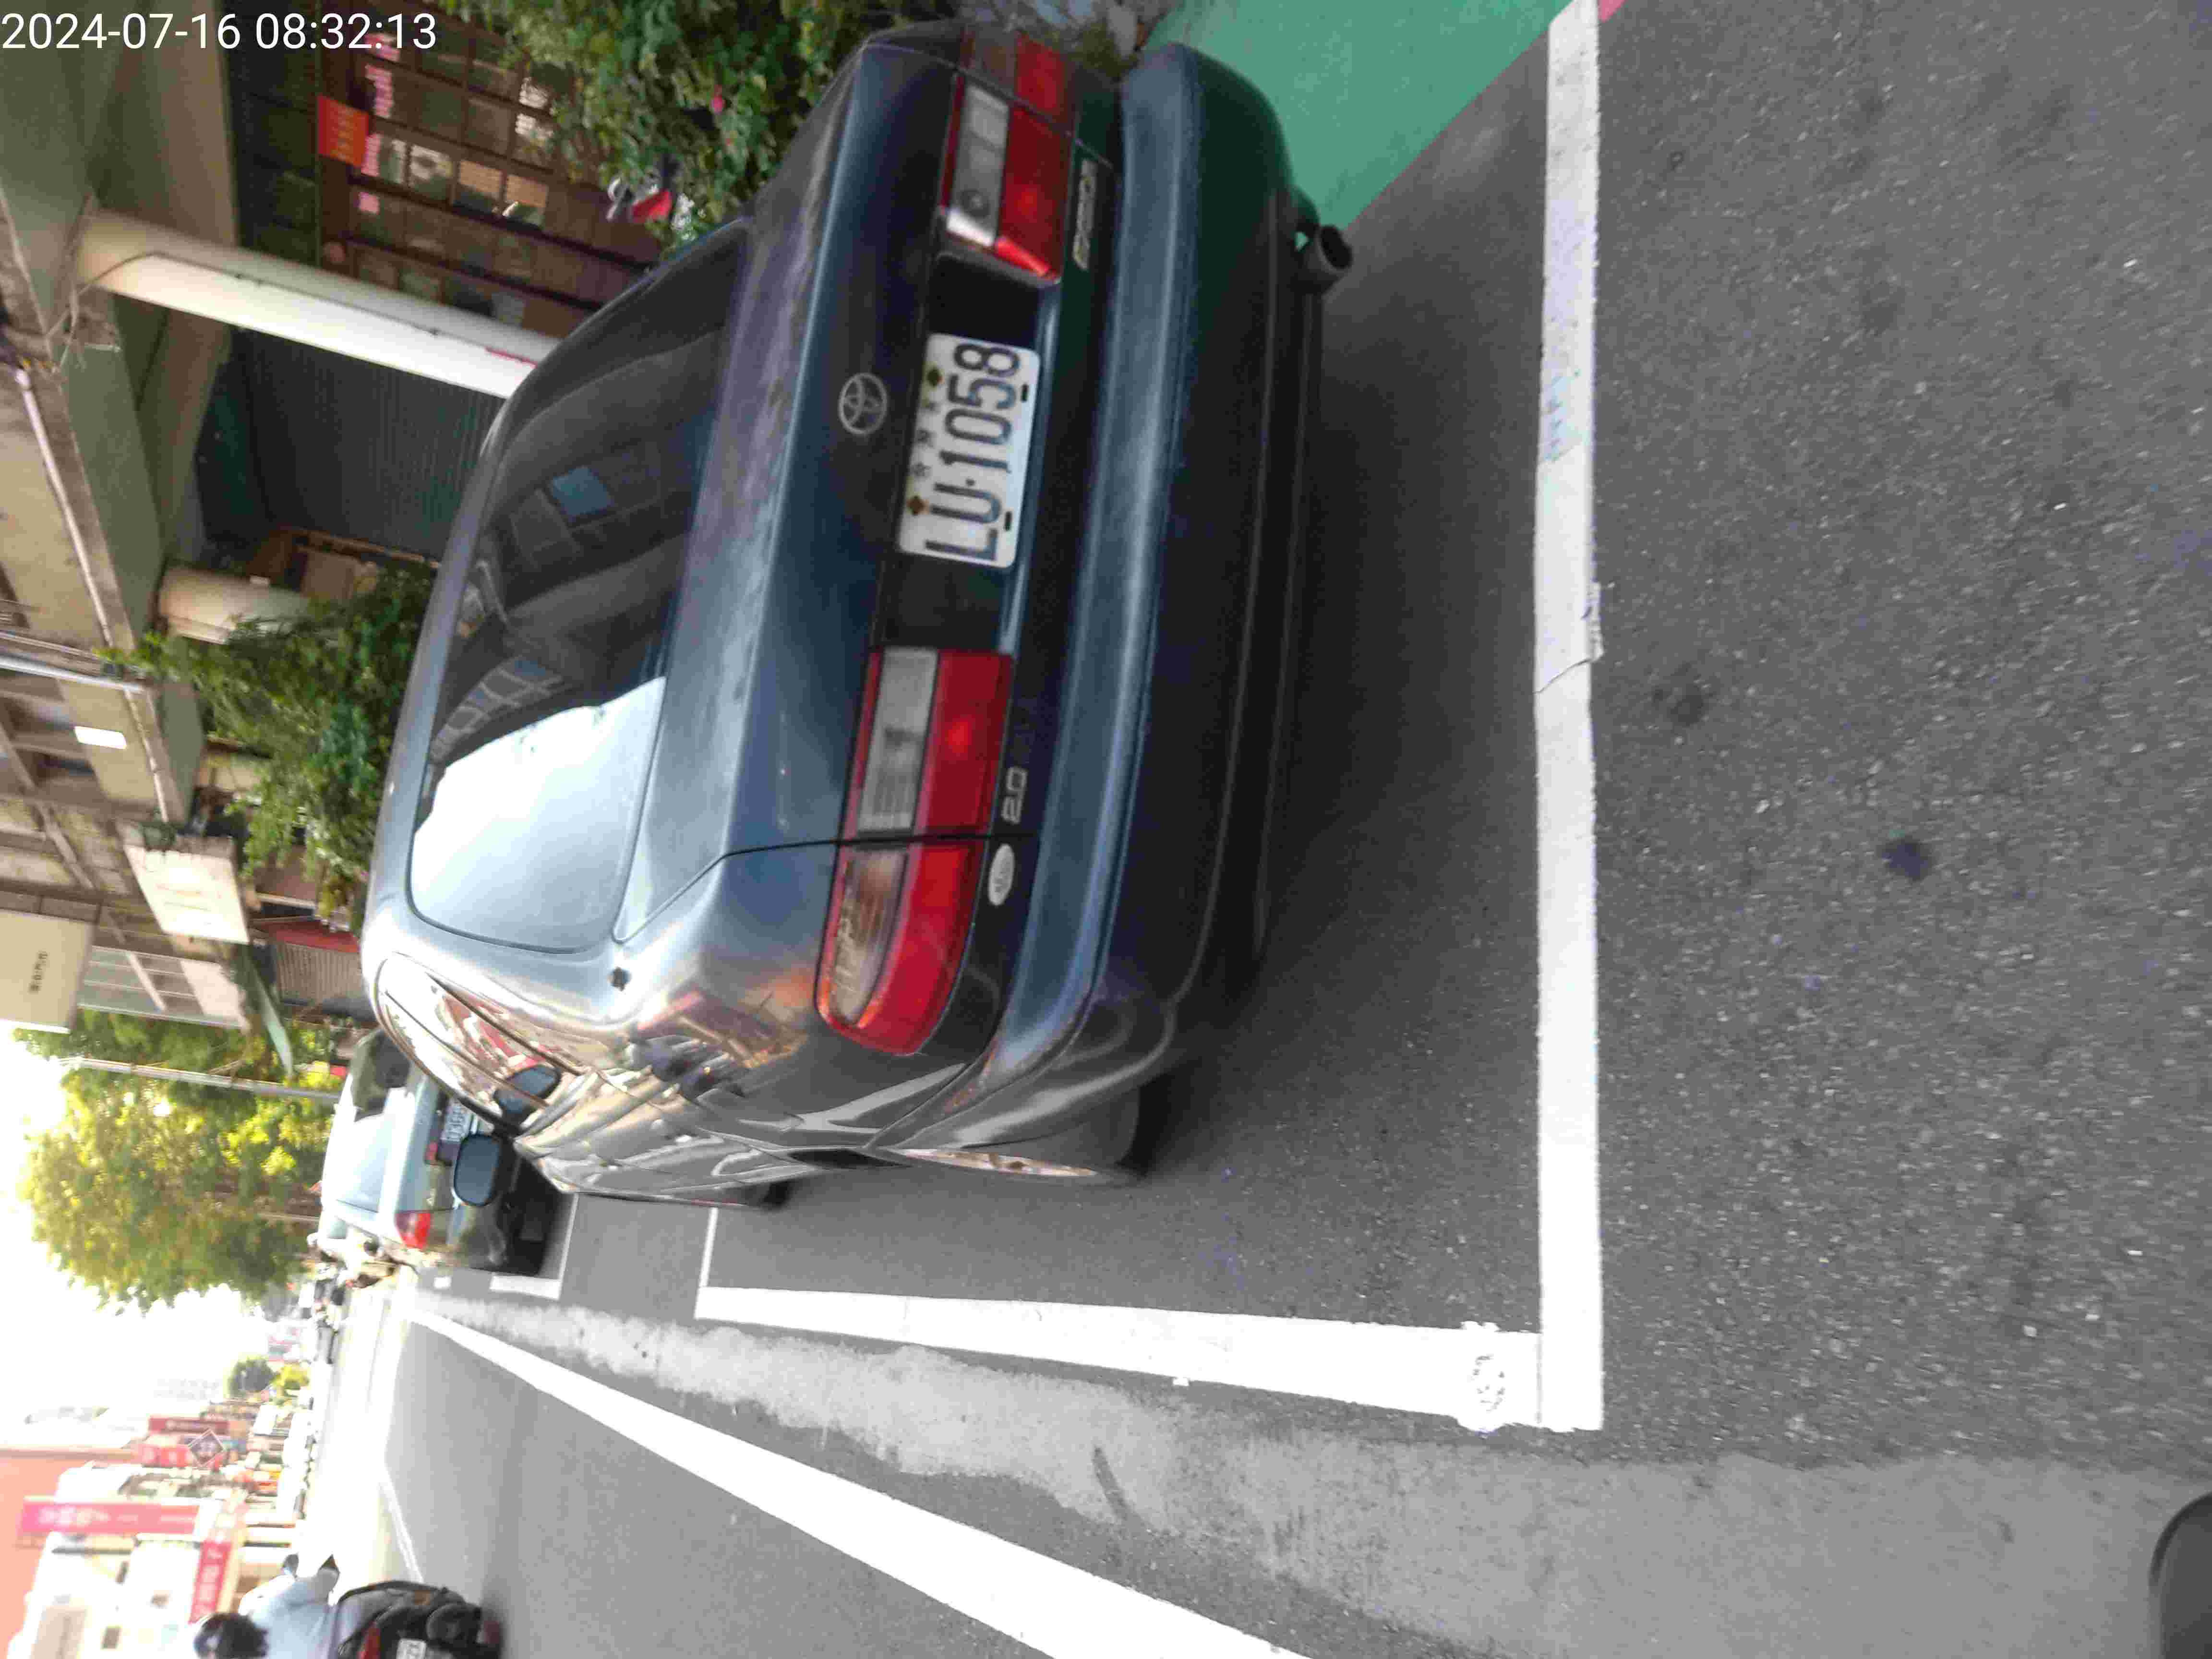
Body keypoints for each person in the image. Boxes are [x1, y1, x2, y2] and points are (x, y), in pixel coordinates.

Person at [193, 1557, 339, 1659]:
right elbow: (325, 1583)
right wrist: (328, 1571)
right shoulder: (267, 1608)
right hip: (348, 1620)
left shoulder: (263, 1606)